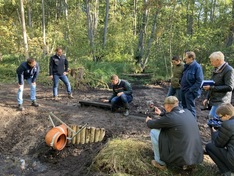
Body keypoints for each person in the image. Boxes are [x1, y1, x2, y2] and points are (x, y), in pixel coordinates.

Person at [146, 96, 203, 170]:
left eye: (164, 106)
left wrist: (148, 120)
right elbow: (175, 117)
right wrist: (161, 114)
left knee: (153, 132)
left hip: (181, 152)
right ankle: (187, 163)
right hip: (195, 154)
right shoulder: (187, 112)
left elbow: (151, 125)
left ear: (167, 105)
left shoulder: (170, 118)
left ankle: (160, 162)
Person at [202, 51, 234, 127]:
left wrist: (211, 88)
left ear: (218, 60)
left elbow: (230, 87)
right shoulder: (216, 69)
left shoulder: (229, 70)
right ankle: (216, 136)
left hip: (222, 100)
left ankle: (218, 136)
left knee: (213, 120)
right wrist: (207, 98)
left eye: (212, 61)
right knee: (213, 120)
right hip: (214, 99)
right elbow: (212, 83)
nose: (211, 63)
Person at [205, 103, 234, 176]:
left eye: (220, 117)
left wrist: (215, 133)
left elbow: (218, 144)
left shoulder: (227, 125)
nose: (219, 119)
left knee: (209, 146)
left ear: (227, 115)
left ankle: (227, 172)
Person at [180, 51, 204, 117]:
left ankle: (193, 123)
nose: (185, 59)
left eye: (186, 58)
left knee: (190, 108)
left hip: (190, 91)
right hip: (183, 90)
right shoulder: (186, 66)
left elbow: (199, 81)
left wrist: (190, 90)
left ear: (191, 58)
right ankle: (186, 122)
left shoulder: (197, 67)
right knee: (184, 108)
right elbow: (183, 76)